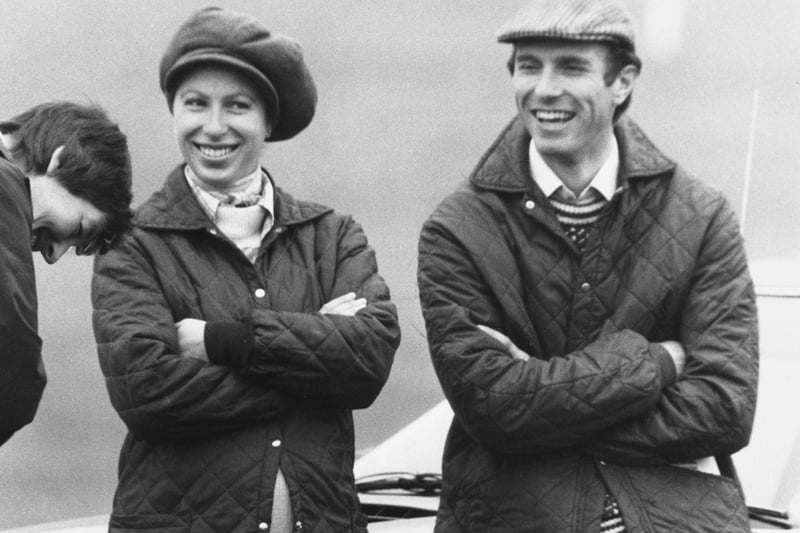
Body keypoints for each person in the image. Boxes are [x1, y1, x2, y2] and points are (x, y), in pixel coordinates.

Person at [417, 1, 759, 531]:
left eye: (571, 67)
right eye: (529, 65)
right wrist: (657, 365)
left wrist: (539, 408)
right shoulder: (458, 228)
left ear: (622, 81)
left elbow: (723, 407)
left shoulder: (701, 217)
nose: (544, 89)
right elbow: (492, 408)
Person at [91, 6, 400, 533]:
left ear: (268, 121)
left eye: (237, 105)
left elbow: (366, 365)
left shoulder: (332, 234)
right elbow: (148, 393)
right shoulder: (132, 242)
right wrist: (313, 366)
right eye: (195, 103)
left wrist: (221, 343)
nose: (214, 126)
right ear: (174, 111)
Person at [0, 101, 132, 446]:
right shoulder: (5, 184)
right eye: (77, 227)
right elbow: (15, 370)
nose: (52, 255)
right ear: (61, 161)